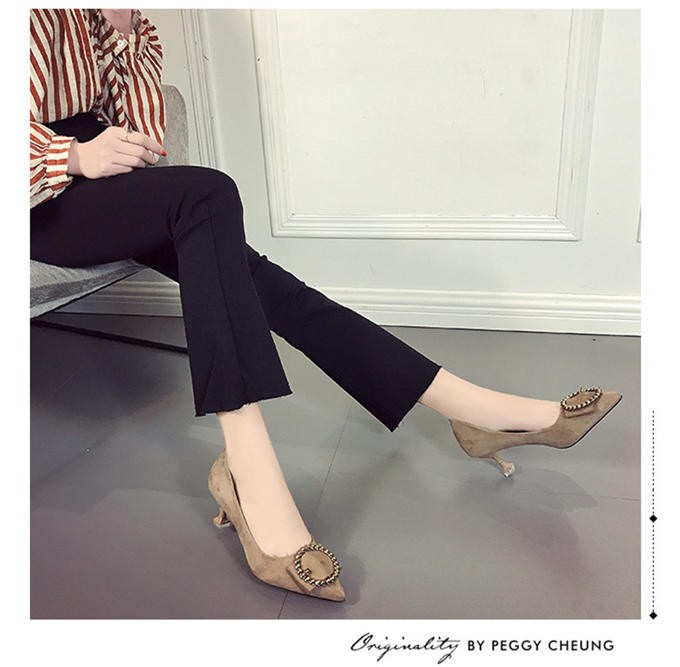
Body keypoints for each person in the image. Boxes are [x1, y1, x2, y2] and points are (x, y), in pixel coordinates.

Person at [30, 9, 622, 603]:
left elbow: (143, 135)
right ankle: (251, 467)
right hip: (37, 194)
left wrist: (123, 30)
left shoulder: (127, 22)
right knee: (207, 194)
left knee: (263, 282)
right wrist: (72, 157)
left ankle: (467, 407)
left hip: (100, 181)